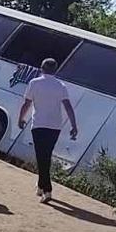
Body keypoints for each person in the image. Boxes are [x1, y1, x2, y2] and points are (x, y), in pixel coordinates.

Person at [17, 58, 78, 203]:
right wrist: (74, 125)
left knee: (41, 156)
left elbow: (27, 103)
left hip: (39, 124)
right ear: (55, 70)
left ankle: (47, 190)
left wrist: (20, 118)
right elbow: (68, 106)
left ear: (41, 68)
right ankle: (40, 185)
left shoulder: (34, 83)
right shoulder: (60, 86)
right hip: (55, 126)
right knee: (46, 156)